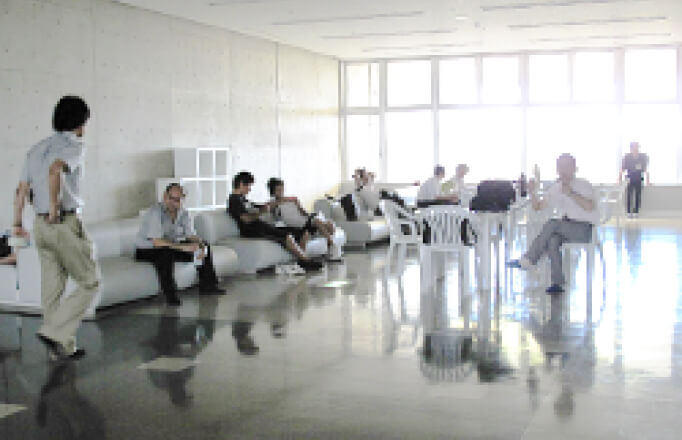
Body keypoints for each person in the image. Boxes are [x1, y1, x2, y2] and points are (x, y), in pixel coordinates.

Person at [13, 95, 98, 361]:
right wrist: (53, 207)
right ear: (80, 123)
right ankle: (54, 331)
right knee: (89, 282)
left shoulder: (36, 149)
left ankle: (62, 349)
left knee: (52, 289)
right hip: (62, 222)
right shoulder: (75, 147)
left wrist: (17, 222)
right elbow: (55, 170)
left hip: (39, 226)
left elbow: (21, 189)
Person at [507, 154, 598, 294]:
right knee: (552, 239)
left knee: (553, 224)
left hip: (585, 228)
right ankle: (557, 282)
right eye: (560, 167)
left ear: (575, 168)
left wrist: (571, 193)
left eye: (567, 166)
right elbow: (538, 206)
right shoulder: (556, 188)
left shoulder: (583, 184)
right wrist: (532, 192)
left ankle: (529, 258)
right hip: (566, 227)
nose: (564, 170)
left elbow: (590, 206)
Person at [135, 183, 225, 306]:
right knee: (165, 254)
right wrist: (182, 247)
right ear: (165, 196)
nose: (175, 203)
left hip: (169, 246)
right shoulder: (155, 212)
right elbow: (156, 241)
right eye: (172, 199)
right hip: (146, 249)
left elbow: (190, 235)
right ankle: (170, 295)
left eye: (179, 199)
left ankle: (208, 286)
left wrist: (201, 245)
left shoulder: (183, 213)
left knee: (204, 246)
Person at [228, 171, 322, 270]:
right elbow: (246, 219)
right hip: (252, 230)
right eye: (248, 186)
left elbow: (257, 206)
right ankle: (305, 261)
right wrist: (261, 212)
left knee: (303, 232)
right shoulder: (234, 200)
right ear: (241, 184)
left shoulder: (242, 199)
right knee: (287, 236)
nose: (249, 189)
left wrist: (269, 205)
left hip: (261, 227)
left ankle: (302, 260)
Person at [266, 177, 341, 260]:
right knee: (316, 223)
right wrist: (285, 200)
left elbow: (303, 213)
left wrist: (298, 204)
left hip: (304, 221)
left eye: (282, 189)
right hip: (296, 225)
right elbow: (270, 209)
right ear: (272, 192)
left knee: (329, 225)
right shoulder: (272, 203)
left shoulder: (292, 200)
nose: (281, 192)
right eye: (278, 190)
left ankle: (330, 252)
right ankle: (333, 245)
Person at [619, 141, 649, 218]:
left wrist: (648, 180)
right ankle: (629, 212)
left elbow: (645, 169)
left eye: (637, 146)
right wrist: (619, 179)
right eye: (634, 147)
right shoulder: (627, 157)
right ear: (631, 148)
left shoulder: (643, 156)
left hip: (639, 177)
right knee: (629, 195)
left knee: (638, 195)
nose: (636, 148)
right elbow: (622, 169)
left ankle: (636, 211)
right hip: (629, 178)